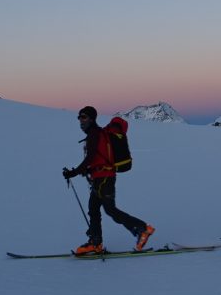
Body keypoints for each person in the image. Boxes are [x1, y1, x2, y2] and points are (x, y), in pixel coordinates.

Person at [62, 106, 155, 254]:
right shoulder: (97, 134)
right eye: (79, 117)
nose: (81, 120)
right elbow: (96, 159)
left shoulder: (94, 134)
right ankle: (95, 242)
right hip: (100, 178)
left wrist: (74, 172)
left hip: (104, 179)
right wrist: (84, 170)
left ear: (92, 119)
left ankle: (142, 229)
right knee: (93, 209)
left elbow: (91, 157)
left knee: (110, 210)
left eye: (84, 117)